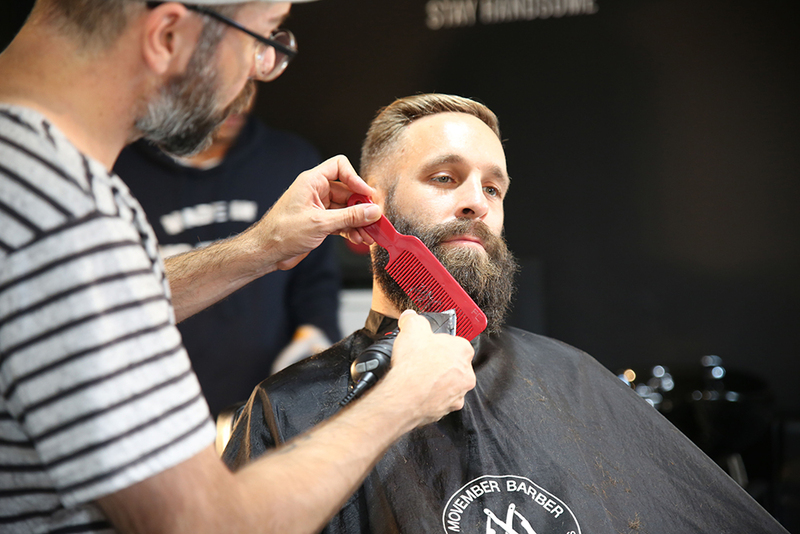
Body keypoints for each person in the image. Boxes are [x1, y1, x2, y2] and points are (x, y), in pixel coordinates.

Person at [0, 3, 476, 533]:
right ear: (168, 34)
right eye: (262, 37)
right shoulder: (65, 211)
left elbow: (76, 308)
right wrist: (401, 398)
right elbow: (204, 525)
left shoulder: (28, 184)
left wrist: (260, 247)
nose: (259, 67)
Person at [222, 94, 789, 534]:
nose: (477, 201)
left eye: (494, 188)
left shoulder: (572, 378)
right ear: (367, 211)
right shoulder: (289, 408)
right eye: (444, 178)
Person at [114, 89, 341, 416]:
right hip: (150, 407)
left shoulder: (292, 164)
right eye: (226, 80)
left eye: (250, 82)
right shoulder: (117, 171)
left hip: (263, 411)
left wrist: (314, 337)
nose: (238, 100)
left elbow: (315, 282)